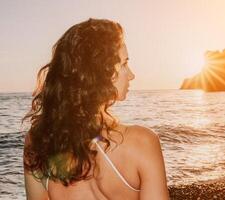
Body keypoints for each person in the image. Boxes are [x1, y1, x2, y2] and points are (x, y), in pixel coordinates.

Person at [23, 18, 169, 200]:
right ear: (99, 72)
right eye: (124, 64)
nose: (131, 75)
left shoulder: (37, 141)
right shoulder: (143, 142)